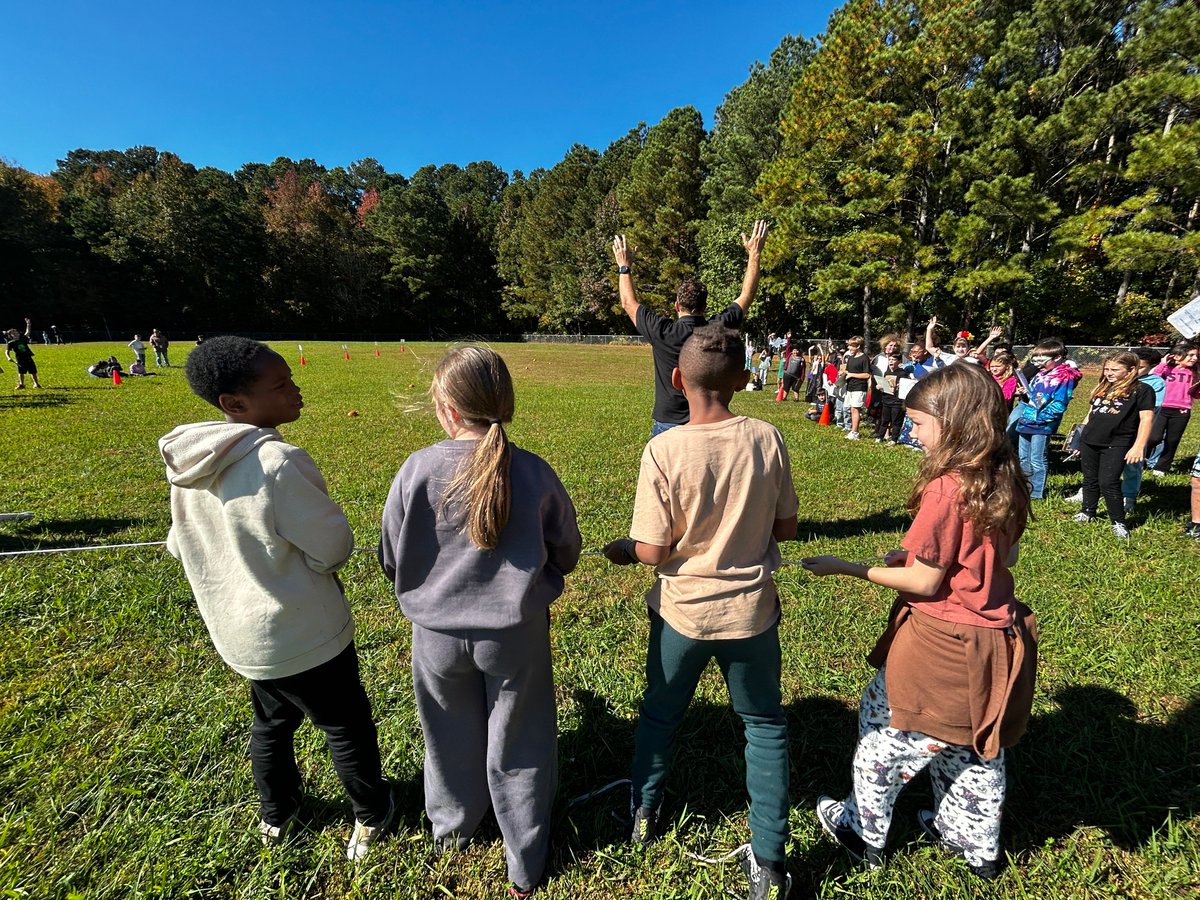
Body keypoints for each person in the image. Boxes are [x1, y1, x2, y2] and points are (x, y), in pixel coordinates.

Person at [158, 336, 395, 860]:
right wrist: (313, 569)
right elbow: (333, 544)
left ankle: (277, 814)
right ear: (235, 404)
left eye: (292, 378)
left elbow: (180, 544)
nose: (296, 390)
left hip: (243, 639)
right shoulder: (277, 461)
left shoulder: (188, 464)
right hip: (305, 634)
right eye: (281, 385)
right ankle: (372, 812)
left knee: (270, 723)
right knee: (344, 723)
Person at [800, 363, 1036, 879]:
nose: (913, 431)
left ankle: (863, 833)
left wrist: (848, 567)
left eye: (920, 423)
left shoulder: (947, 488)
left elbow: (927, 584)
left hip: (940, 641)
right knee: (973, 741)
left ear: (953, 423)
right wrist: (916, 558)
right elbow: (1004, 559)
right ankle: (973, 842)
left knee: (887, 731)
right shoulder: (1007, 477)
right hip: (994, 640)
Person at [602, 325, 798, 900]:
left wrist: (623, 550)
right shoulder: (767, 436)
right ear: (743, 381)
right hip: (753, 614)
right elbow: (785, 527)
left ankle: (642, 813)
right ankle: (769, 861)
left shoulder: (664, 449)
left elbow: (654, 551)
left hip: (680, 615)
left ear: (676, 380)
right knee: (763, 726)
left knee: (659, 716)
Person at [378, 346, 581, 898]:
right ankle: (525, 859)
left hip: (435, 636)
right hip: (515, 636)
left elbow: (390, 554)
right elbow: (566, 547)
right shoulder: (535, 471)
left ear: (445, 408)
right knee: (521, 740)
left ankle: (452, 832)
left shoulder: (416, 468)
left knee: (445, 737)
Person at [613, 221, 768, 436]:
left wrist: (624, 266)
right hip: (708, 422)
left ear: (677, 305)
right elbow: (746, 296)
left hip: (668, 423)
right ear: (705, 307)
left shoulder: (662, 332)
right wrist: (754, 253)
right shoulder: (718, 328)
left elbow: (628, 303)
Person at [1071, 352, 1155, 539]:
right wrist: (1078, 437)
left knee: (1108, 482)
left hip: (1117, 443)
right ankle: (1088, 511)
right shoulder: (1104, 386)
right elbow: (1091, 413)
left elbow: (1147, 419)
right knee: (1089, 479)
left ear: (1131, 370)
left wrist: (1139, 446)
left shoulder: (1142, 389)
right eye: (1107, 368)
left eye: (1114, 370)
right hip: (1090, 440)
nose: (1109, 373)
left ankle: (1118, 522)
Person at [1014, 338, 1083, 500]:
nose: (1037, 363)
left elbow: (1060, 403)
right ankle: (1025, 488)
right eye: (1034, 359)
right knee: (1024, 457)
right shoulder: (1041, 373)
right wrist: (1026, 391)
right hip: (1027, 419)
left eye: (1041, 360)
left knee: (1037, 459)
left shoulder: (1064, 377)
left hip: (1042, 424)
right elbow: (1036, 396)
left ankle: (1036, 493)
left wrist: (1042, 418)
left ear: (1057, 357)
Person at [1146, 340, 1199, 476]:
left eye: (1196, 356)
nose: (1194, 358)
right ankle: (1141, 458)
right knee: (1154, 437)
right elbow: (1154, 379)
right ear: (1177, 355)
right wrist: (1163, 364)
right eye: (1190, 355)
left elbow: (1196, 394)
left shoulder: (1194, 373)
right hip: (1162, 408)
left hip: (1182, 410)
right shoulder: (1166, 369)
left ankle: (1162, 467)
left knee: (1172, 440)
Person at [842, 336, 872, 439]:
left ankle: (855, 432)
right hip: (850, 387)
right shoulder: (850, 358)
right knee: (851, 409)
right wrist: (843, 374)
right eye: (849, 345)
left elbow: (867, 375)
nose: (849, 348)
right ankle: (852, 430)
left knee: (855, 409)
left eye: (851, 346)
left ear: (858, 346)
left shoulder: (864, 358)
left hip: (859, 387)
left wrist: (851, 375)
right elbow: (848, 371)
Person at [873, 350, 905, 443]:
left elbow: (905, 387)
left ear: (899, 362)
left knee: (896, 421)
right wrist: (879, 386)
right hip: (886, 400)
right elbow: (884, 385)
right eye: (889, 359)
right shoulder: (886, 373)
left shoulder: (902, 374)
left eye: (894, 359)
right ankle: (880, 436)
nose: (891, 361)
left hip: (897, 401)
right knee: (884, 420)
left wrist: (899, 386)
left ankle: (894, 439)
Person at [5, 319, 42, 389]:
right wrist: (8, 357)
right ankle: (22, 384)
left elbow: (28, 332)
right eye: (13, 333)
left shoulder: (23, 339)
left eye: (16, 332)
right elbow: (7, 352)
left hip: (28, 358)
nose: (15, 333)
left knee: (33, 371)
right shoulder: (11, 343)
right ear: (10, 335)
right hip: (20, 359)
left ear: (19, 333)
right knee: (21, 372)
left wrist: (28, 324)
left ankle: (36, 384)